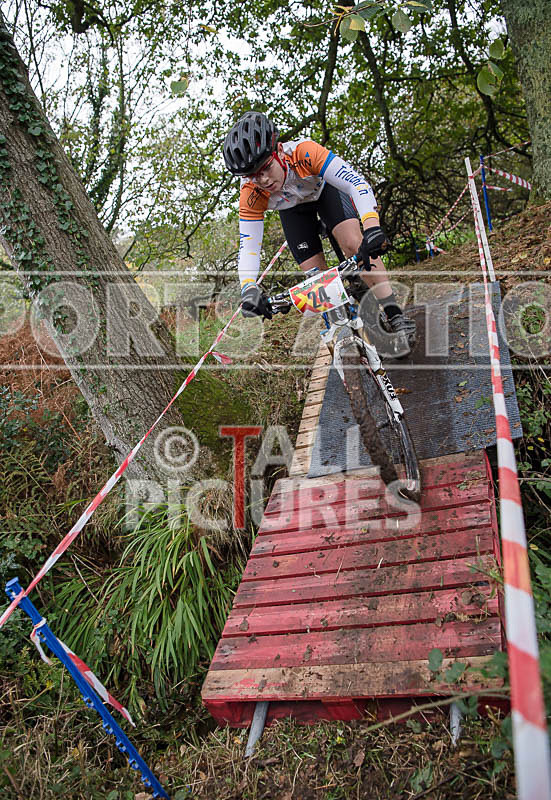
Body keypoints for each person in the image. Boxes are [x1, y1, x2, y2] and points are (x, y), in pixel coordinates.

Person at [223, 111, 416, 352]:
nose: (262, 179)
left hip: (326, 192)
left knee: (354, 244)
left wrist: (372, 226)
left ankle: (394, 314)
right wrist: (248, 287)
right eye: (252, 175)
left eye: (265, 168)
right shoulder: (250, 192)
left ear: (279, 151)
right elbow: (249, 246)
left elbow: (356, 184)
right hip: (293, 211)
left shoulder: (305, 152)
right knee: (315, 277)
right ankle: (349, 322)